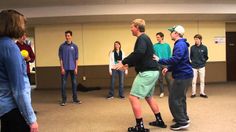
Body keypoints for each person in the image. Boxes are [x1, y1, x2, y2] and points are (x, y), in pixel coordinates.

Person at [114, 19, 167, 132]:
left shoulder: (142, 38)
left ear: (137, 27)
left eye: (132, 27)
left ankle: (140, 127)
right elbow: (142, 57)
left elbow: (138, 53)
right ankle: (159, 121)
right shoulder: (145, 38)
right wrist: (129, 64)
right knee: (148, 97)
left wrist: (123, 62)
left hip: (147, 73)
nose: (130, 29)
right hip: (153, 71)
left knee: (133, 97)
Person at [0, 9, 38, 132]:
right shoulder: (10, 47)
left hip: (4, 108)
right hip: (13, 108)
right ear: (12, 24)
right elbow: (19, 90)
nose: (23, 27)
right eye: (22, 24)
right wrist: (31, 119)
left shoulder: (2, 44)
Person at [155, 25, 193, 131]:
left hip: (182, 76)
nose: (170, 33)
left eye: (172, 32)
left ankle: (181, 122)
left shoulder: (180, 44)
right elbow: (179, 61)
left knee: (174, 98)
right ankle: (184, 117)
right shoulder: (181, 44)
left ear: (176, 33)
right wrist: (168, 68)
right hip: (185, 75)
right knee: (181, 98)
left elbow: (176, 59)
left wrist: (160, 60)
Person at [58, 30, 81, 106]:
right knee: (63, 84)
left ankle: (75, 99)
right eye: (66, 36)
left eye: (68, 35)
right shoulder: (62, 46)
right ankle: (64, 100)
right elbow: (61, 58)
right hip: (65, 68)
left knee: (74, 84)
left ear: (71, 36)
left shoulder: (75, 47)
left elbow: (76, 58)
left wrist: (76, 68)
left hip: (73, 68)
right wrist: (62, 68)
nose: (67, 37)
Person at [153, 32, 172, 98]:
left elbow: (170, 55)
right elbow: (153, 55)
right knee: (160, 79)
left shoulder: (167, 46)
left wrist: (169, 64)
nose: (157, 38)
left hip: (166, 64)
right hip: (158, 64)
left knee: (168, 79)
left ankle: (171, 92)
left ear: (162, 37)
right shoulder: (155, 46)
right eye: (156, 37)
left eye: (158, 37)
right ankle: (162, 92)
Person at [190, 34, 209, 98]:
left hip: (202, 66)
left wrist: (203, 61)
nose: (196, 40)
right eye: (195, 39)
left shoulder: (204, 47)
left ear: (200, 40)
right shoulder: (192, 47)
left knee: (202, 80)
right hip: (194, 67)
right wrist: (194, 62)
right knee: (193, 81)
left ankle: (202, 93)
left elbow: (206, 57)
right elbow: (191, 56)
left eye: (197, 39)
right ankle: (193, 93)